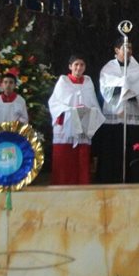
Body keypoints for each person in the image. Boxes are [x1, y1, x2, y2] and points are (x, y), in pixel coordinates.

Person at [97, 36, 139, 183]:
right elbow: (105, 88)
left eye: (130, 48)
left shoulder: (136, 67)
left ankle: (133, 178)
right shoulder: (108, 68)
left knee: (132, 147)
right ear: (116, 50)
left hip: (131, 111)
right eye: (125, 47)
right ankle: (111, 178)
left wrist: (129, 90)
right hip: (114, 113)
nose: (128, 51)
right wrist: (122, 84)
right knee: (113, 148)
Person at [48, 54, 105, 185]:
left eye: (82, 65)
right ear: (70, 67)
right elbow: (55, 103)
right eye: (76, 65)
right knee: (65, 160)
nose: (79, 68)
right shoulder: (63, 81)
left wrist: (89, 112)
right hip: (66, 127)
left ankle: (82, 186)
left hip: (83, 125)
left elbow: (93, 104)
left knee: (82, 159)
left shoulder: (88, 82)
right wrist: (71, 111)